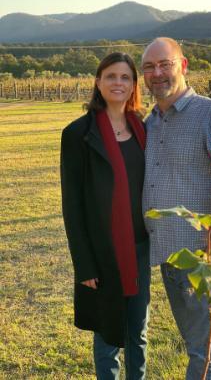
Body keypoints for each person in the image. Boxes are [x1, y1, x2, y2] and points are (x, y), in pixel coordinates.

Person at [142, 38, 211, 379]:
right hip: (169, 254)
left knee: (206, 352)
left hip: (202, 252)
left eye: (164, 64)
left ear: (183, 66)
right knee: (197, 345)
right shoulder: (151, 122)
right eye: (149, 67)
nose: (157, 73)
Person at [60, 52, 150, 380]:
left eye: (125, 77)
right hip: (102, 251)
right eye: (111, 76)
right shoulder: (78, 135)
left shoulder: (143, 129)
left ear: (133, 85)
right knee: (108, 333)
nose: (118, 83)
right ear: (98, 82)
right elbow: (73, 206)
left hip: (140, 247)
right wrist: (84, 265)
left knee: (138, 332)